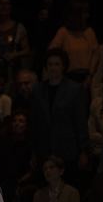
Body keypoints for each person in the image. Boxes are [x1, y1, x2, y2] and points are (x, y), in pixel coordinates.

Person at [31, 48, 90, 188]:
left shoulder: (74, 89)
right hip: (44, 149)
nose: (53, 68)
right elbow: (34, 123)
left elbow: (80, 121)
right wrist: (33, 151)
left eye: (57, 64)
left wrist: (84, 150)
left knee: (67, 188)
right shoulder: (38, 90)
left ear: (63, 66)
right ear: (46, 67)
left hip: (67, 150)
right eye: (50, 64)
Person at [49, 1, 100, 89]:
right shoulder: (63, 32)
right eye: (85, 13)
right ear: (76, 15)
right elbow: (52, 52)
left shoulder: (89, 32)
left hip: (84, 79)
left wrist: (90, 75)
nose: (88, 16)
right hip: (67, 78)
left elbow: (96, 54)